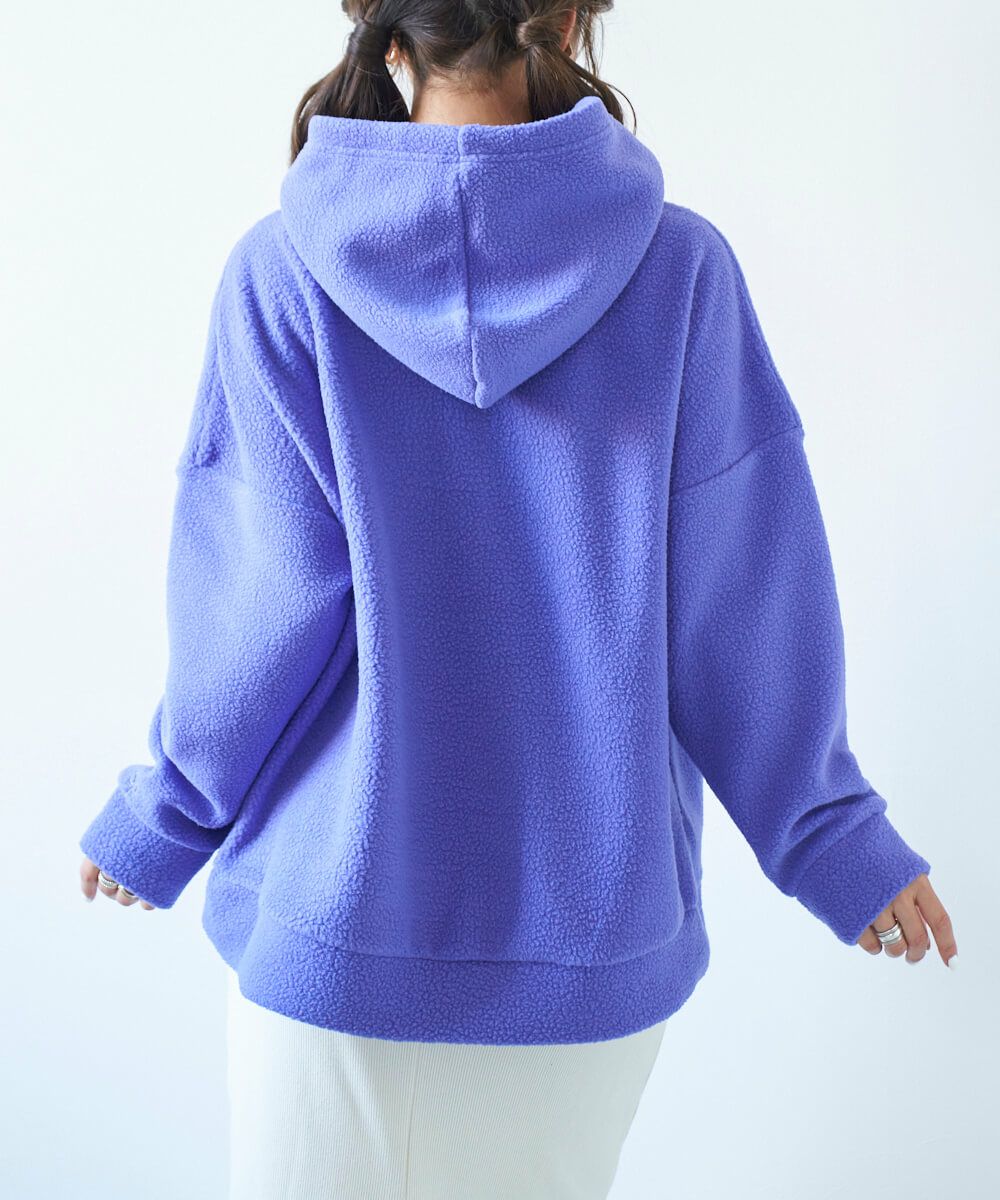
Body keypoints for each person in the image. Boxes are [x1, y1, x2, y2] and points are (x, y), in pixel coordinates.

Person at [78, 2, 958, 1197]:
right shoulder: (679, 271)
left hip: (335, 937)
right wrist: (833, 841)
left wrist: (169, 813)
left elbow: (260, 608)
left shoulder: (284, 272)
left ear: (388, 32)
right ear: (569, 19)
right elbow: (743, 600)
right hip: (587, 954)